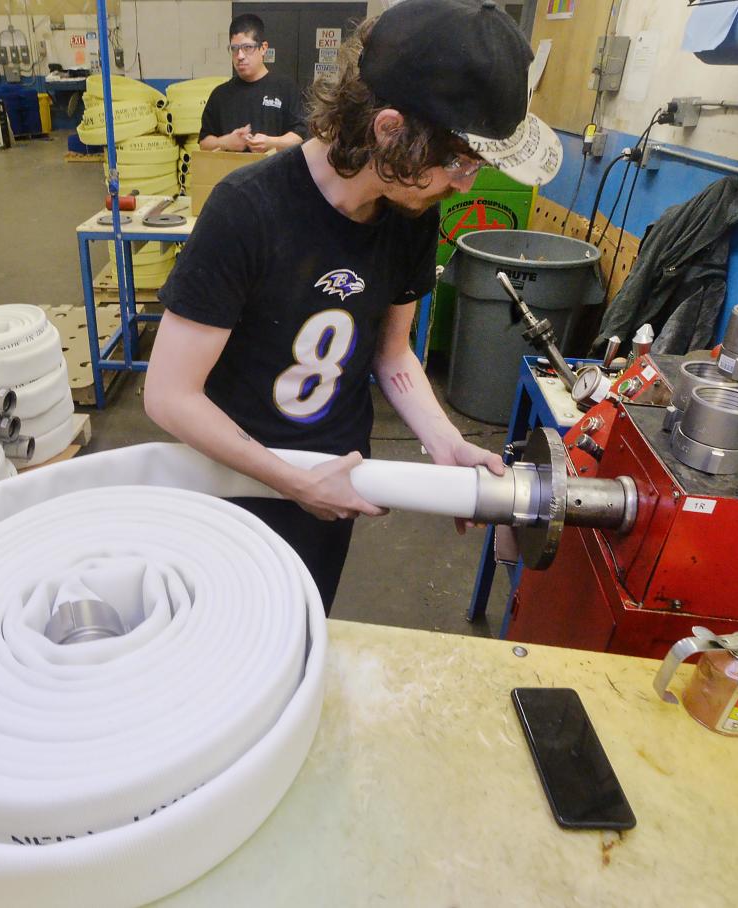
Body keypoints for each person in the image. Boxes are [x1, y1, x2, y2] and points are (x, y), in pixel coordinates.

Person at [144, 0, 563, 613]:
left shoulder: (410, 208)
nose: (467, 184)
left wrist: (444, 442)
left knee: (305, 629)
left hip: (336, 480)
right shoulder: (248, 210)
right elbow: (168, 394)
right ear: (390, 129)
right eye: (460, 162)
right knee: (227, 634)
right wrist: (290, 480)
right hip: (234, 479)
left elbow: (391, 353)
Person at [198, 14, 307, 154]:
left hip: (275, 173)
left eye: (248, 47)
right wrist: (226, 142)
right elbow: (204, 142)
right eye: (234, 49)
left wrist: (271, 143)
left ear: (263, 48)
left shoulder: (286, 89)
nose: (240, 56)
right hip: (233, 173)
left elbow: (299, 137)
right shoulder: (220, 95)